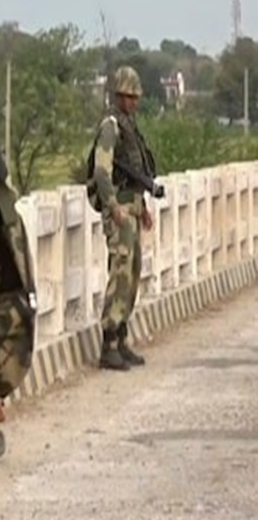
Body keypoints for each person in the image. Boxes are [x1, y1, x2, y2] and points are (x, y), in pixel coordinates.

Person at [89, 65, 155, 370]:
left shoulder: (130, 127)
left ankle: (122, 338)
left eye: (136, 96)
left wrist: (144, 208)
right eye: (129, 96)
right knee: (120, 275)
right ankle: (109, 344)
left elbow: (136, 174)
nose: (134, 101)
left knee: (132, 274)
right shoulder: (111, 126)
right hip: (119, 214)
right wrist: (113, 206)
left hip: (133, 209)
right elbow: (101, 171)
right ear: (119, 96)